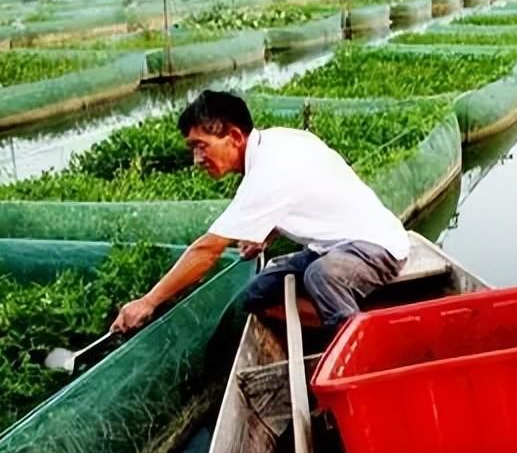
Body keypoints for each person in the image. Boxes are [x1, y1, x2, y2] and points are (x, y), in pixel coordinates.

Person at [111, 90, 409, 333]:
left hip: (376, 246)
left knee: (320, 276)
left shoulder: (267, 172)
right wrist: (266, 232)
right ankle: (356, 318)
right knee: (258, 294)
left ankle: (360, 341)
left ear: (235, 137)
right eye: (192, 148)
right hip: (330, 246)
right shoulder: (278, 141)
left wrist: (149, 301)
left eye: (202, 146)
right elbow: (304, 192)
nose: (197, 159)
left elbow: (207, 251)